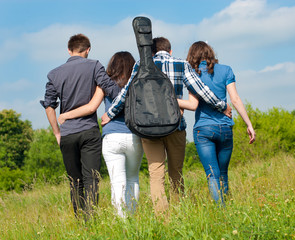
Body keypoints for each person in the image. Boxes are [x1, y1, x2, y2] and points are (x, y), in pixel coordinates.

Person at [101, 37, 232, 214]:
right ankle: (179, 213)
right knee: (176, 173)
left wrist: (109, 114)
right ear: (170, 51)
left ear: (152, 52)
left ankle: (162, 218)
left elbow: (126, 93)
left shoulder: (141, 65)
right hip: (175, 126)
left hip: (148, 129)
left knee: (156, 175)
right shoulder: (180, 64)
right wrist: (222, 106)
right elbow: (201, 90)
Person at [40, 34, 121, 217]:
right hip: (89, 131)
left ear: (69, 50)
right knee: (91, 179)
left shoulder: (54, 74)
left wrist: (57, 133)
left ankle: (80, 223)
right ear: (88, 49)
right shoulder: (94, 66)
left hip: (67, 134)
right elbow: (113, 90)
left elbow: (49, 106)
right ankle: (91, 221)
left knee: (75, 182)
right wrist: (109, 111)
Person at [58, 51, 144, 218]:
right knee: (133, 178)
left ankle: (122, 221)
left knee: (117, 182)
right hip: (134, 137)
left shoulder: (105, 84)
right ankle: (132, 219)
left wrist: (66, 115)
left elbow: (91, 107)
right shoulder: (138, 83)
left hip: (112, 137)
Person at [183, 41, 256, 204]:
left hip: (204, 130)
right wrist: (248, 124)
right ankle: (227, 207)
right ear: (210, 53)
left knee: (212, 174)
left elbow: (192, 104)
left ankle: (220, 211)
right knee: (223, 173)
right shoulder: (226, 70)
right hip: (225, 128)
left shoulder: (192, 75)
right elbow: (235, 99)